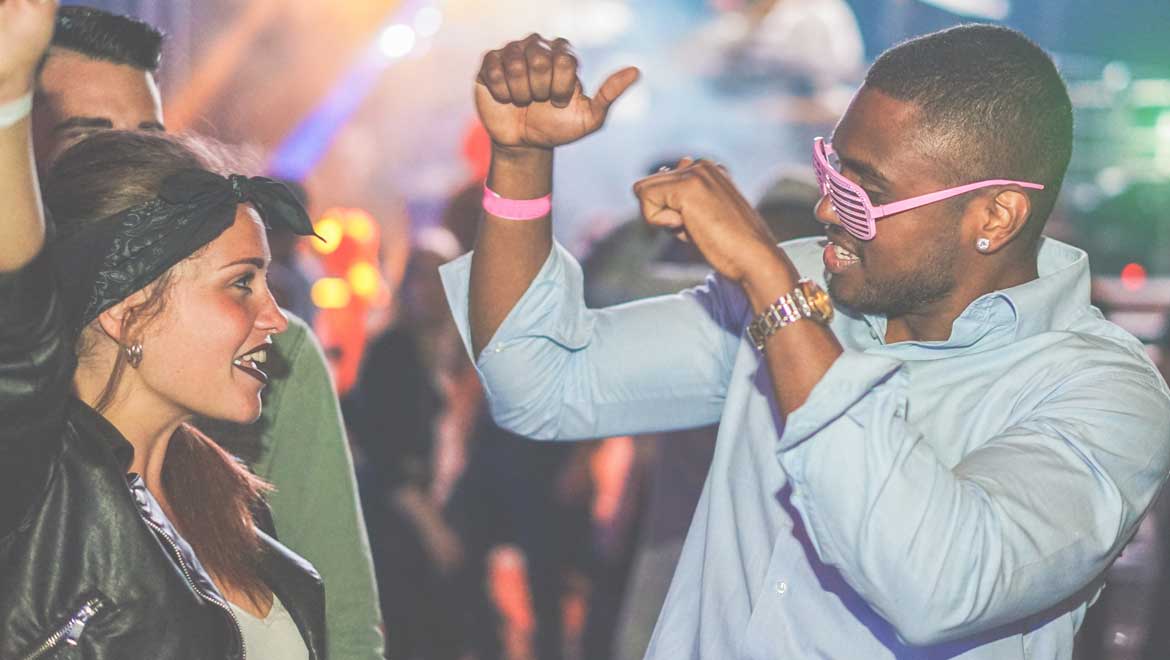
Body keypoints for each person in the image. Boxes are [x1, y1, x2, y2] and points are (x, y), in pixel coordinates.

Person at [441, 27, 1170, 659]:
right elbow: (543, 387)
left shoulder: (1104, 392)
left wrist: (772, 288)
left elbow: (937, 585)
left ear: (996, 217)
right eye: (832, 168)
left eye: (862, 191)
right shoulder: (806, 288)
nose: (826, 206)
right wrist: (520, 163)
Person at [32, 7, 384, 659]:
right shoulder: (29, 452)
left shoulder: (269, 379)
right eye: (90, 136)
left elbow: (348, 623)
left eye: (152, 135)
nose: (142, 164)